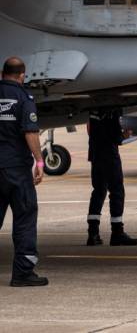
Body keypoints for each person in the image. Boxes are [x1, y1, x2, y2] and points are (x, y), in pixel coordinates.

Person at [0, 57, 47, 286]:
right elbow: (30, 132)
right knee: (25, 218)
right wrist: (39, 162)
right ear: (22, 75)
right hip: (17, 170)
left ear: (2, 73)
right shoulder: (24, 97)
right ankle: (22, 274)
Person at [86, 108, 137, 246]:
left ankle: (93, 233)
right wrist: (125, 135)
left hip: (95, 153)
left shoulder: (93, 110)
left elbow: (91, 130)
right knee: (117, 192)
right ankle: (117, 232)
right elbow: (115, 137)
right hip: (109, 155)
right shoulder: (112, 108)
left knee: (98, 191)